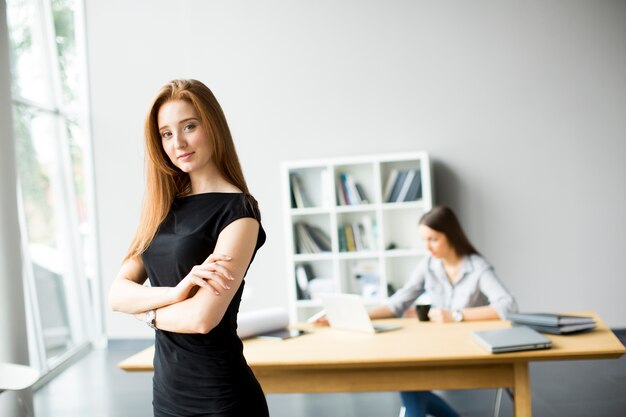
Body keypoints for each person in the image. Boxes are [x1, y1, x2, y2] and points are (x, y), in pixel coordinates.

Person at [108, 79, 269, 417]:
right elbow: (117, 295)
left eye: (189, 126)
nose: (178, 142)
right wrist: (179, 291)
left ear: (212, 126)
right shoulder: (161, 208)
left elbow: (201, 318)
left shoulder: (239, 213)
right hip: (167, 393)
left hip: (221, 398)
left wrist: (145, 311)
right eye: (166, 133)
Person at [368, 205, 518, 417]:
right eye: (423, 240)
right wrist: (360, 314)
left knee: (410, 383)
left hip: (471, 350)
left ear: (451, 235)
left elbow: (508, 306)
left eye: (433, 239)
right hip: (438, 347)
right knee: (408, 378)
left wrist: (457, 315)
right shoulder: (429, 264)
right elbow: (398, 303)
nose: (427, 247)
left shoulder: (477, 267)